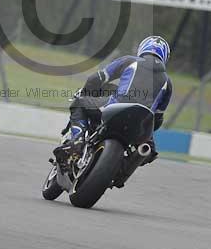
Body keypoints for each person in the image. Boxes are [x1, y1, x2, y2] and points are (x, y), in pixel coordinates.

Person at [53, 35, 173, 163]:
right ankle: (125, 168)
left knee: (79, 103)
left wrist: (84, 93)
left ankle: (77, 142)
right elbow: (158, 119)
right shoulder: (168, 82)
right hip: (143, 125)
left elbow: (96, 79)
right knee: (148, 151)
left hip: (115, 107)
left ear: (142, 48)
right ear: (165, 56)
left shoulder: (130, 61)